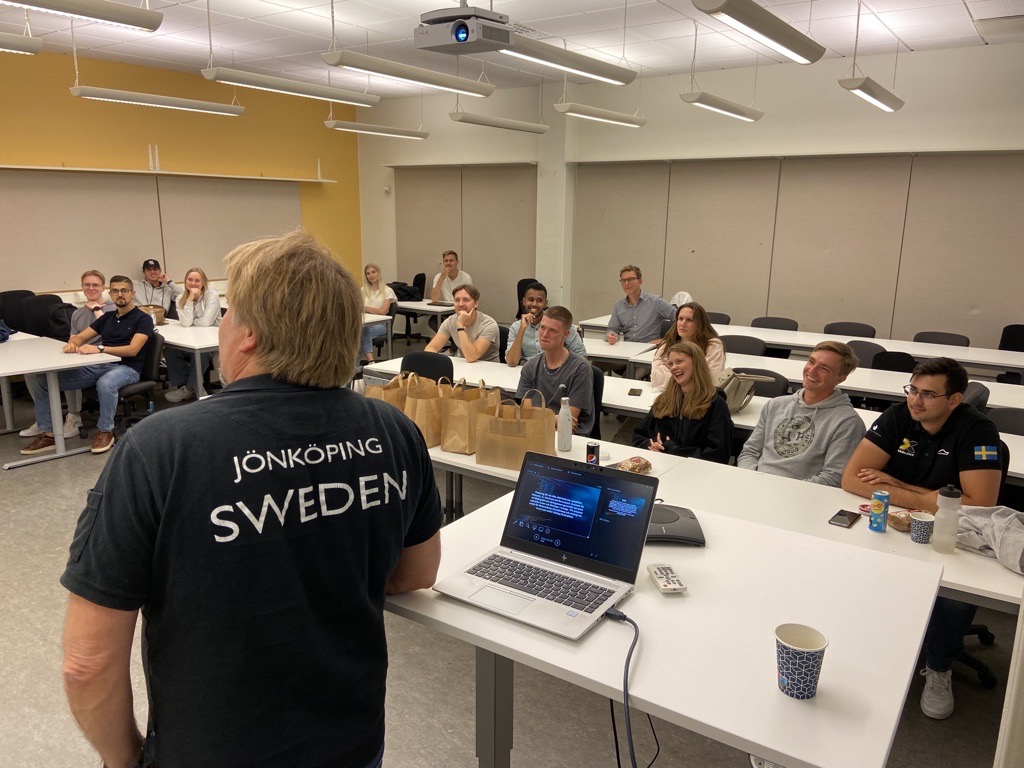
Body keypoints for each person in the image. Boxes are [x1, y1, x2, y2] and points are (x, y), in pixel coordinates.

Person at [59, 231, 443, 768]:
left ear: (249, 335)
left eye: (229, 311)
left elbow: (86, 661)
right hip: (351, 742)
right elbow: (416, 573)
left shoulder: (160, 449)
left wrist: (123, 759)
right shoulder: (394, 430)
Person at [841, 357, 1002, 721]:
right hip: (895, 524)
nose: (916, 400)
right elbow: (851, 479)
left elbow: (978, 507)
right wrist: (931, 498)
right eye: (913, 390)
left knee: (955, 591)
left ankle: (940, 665)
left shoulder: (978, 431)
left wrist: (895, 484)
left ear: (955, 399)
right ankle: (868, 647)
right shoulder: (899, 417)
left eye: (929, 394)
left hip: (955, 534)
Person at [21, 275, 153, 455]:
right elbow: (81, 336)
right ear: (110, 294)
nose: (120, 294)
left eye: (124, 290)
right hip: (100, 365)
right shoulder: (107, 318)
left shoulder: (142, 319)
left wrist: (99, 348)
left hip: (127, 368)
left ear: (132, 293)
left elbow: (133, 350)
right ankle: (49, 433)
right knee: (42, 379)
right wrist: (73, 343)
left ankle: (106, 431)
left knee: (106, 383)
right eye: (115, 291)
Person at [736, 341, 863, 486]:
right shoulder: (775, 405)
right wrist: (750, 479)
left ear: (840, 379)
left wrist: (782, 490)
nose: (812, 370)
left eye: (824, 368)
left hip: (802, 495)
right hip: (755, 485)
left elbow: (833, 477)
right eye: (811, 362)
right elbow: (750, 452)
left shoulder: (847, 422)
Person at [20, 270, 114, 439]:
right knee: (31, 373)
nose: (91, 288)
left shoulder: (112, 310)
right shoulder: (77, 313)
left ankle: (74, 417)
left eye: (95, 285)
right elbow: (73, 339)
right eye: (87, 285)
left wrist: (97, 310)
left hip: (104, 359)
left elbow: (110, 334)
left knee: (66, 371)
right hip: (81, 356)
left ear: (103, 287)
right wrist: (71, 346)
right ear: (82, 287)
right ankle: (44, 421)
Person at [631, 341, 732, 463]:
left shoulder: (715, 404)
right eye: (670, 364)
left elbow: (718, 455)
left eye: (679, 361)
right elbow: (638, 437)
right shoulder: (664, 400)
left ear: (696, 363)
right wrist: (650, 445)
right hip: (660, 466)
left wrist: (674, 452)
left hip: (695, 473)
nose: (673, 367)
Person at [516, 306, 595, 436]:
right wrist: (554, 419)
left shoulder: (580, 369)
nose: (544, 334)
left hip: (569, 439)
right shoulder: (530, 366)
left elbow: (567, 423)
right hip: (535, 434)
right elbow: (525, 416)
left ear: (566, 334)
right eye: (542, 327)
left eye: (552, 330)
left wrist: (542, 419)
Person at [165, 267, 221, 403]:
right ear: (185, 281)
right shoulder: (180, 298)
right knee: (170, 351)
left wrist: (191, 322)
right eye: (190, 280)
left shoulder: (211, 295)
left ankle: (191, 388)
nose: (193, 283)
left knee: (199, 354)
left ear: (203, 283)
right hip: (192, 338)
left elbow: (207, 322)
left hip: (212, 340)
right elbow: (185, 323)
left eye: (197, 280)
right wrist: (189, 300)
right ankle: (188, 386)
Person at [505, 281, 586, 366]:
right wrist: (522, 329)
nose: (534, 304)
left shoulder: (559, 324)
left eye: (539, 300)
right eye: (531, 300)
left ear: (545, 303)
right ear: (524, 301)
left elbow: (581, 356)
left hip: (557, 371)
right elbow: (511, 362)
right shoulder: (516, 327)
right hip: (528, 373)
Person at [650, 302, 726, 390]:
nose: (683, 323)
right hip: (671, 397)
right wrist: (690, 374)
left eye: (689, 320)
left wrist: (671, 373)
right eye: (680, 319)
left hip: (700, 399)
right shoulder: (668, 344)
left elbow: (709, 380)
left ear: (700, 324)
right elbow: (656, 379)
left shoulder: (713, 345)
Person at [425, 284, 499, 363]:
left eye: (466, 300)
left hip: (487, 369)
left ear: (476, 304)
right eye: (457, 300)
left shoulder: (489, 325)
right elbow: (431, 348)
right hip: (464, 365)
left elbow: (472, 357)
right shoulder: (450, 321)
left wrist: (460, 325)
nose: (460, 304)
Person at [605, 264, 675, 345]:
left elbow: (679, 319)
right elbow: (612, 329)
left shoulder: (656, 302)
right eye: (623, 281)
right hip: (628, 349)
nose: (627, 283)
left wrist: (666, 340)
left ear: (640, 281)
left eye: (630, 279)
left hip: (650, 349)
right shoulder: (619, 306)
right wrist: (611, 336)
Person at [358, 263, 397, 365]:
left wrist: (365, 308)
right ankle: (369, 362)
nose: (371, 275)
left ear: (378, 273)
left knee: (360, 334)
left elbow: (383, 311)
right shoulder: (362, 290)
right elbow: (358, 308)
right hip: (365, 323)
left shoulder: (387, 291)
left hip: (381, 325)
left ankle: (359, 364)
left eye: (373, 272)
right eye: (368, 273)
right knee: (360, 333)